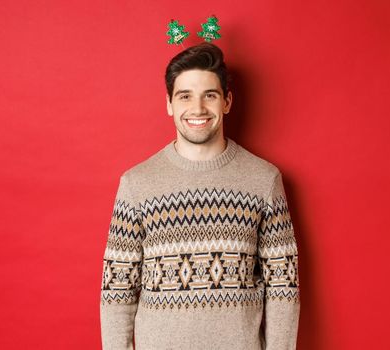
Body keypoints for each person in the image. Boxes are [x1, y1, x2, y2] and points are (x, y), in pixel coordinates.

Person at [99, 42, 300, 349]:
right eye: (184, 96)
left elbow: (283, 287)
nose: (197, 108)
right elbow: (117, 292)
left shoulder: (264, 180)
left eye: (210, 95)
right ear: (169, 104)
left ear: (227, 102)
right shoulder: (136, 185)